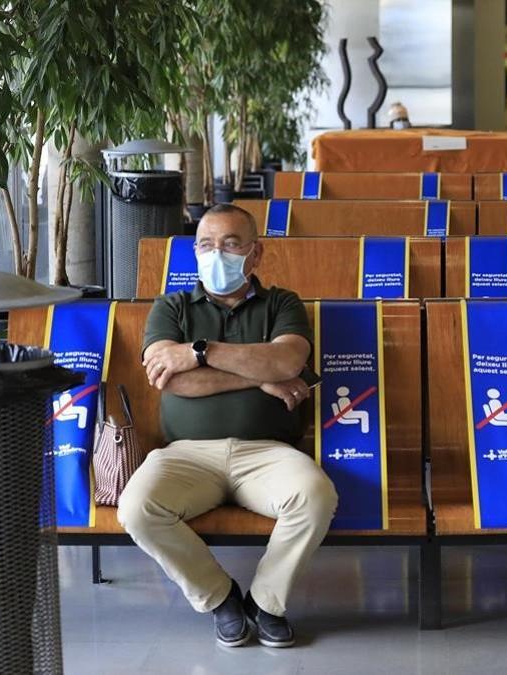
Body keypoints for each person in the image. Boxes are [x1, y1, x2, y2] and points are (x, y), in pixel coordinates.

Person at [120, 204, 337, 648]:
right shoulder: (172, 306)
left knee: (315, 496)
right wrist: (263, 377)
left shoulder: (282, 303)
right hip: (186, 455)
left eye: (231, 244)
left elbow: (287, 360)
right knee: (137, 508)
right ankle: (220, 598)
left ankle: (266, 602)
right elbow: (169, 378)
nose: (216, 254)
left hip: (268, 452)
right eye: (205, 244)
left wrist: (200, 350)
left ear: (255, 254)